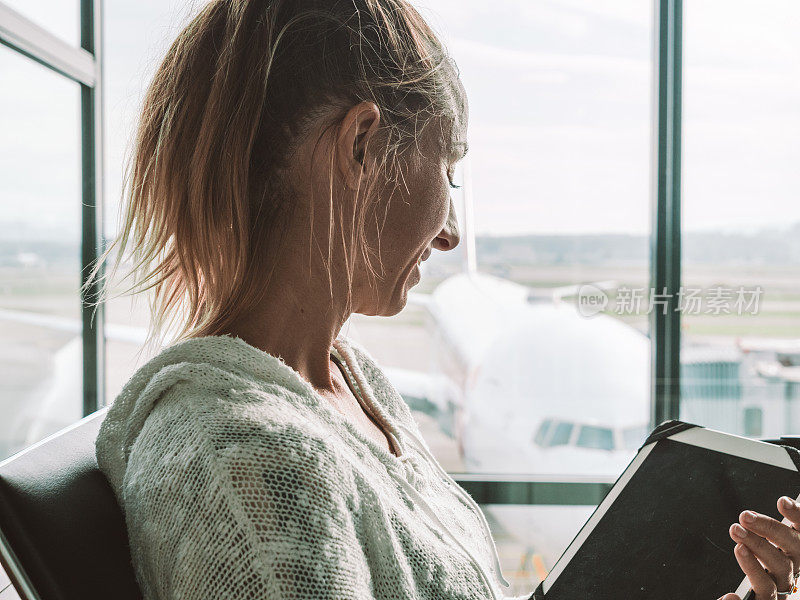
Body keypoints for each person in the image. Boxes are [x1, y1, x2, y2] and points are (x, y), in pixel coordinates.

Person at [83, 1, 800, 599]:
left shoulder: (352, 388)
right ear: (363, 145)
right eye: (448, 166)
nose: (451, 231)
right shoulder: (250, 465)